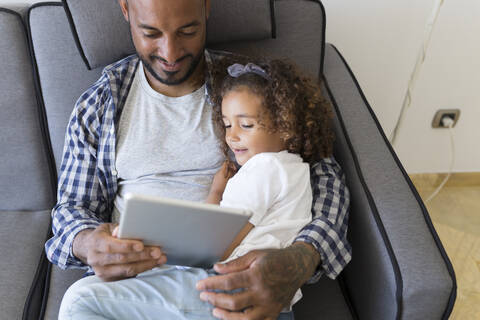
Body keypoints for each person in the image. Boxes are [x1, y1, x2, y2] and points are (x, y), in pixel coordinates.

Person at [47, 0, 352, 319]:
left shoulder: (247, 88)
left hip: (236, 280)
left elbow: (324, 176)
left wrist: (302, 257)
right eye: (150, 32)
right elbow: (71, 209)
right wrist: (86, 242)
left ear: (207, 7)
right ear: (125, 10)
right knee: (82, 302)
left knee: (80, 301)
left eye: (187, 31)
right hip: (137, 288)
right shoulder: (100, 104)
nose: (170, 53)